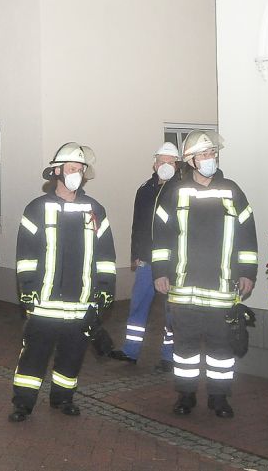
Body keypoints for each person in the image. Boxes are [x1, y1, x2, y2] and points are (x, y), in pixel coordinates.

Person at [151, 130, 257, 418]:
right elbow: (160, 237)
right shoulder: (174, 192)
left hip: (222, 287)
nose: (210, 159)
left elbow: (247, 235)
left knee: (221, 349)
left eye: (212, 154)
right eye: (204, 155)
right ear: (191, 161)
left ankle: (219, 398)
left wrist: (248, 271)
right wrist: (160, 271)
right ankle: (185, 396)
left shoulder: (232, 191)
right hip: (184, 286)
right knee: (184, 347)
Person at [10, 143, 116, 422]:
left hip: (80, 304)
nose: (76, 175)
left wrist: (105, 290)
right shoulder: (36, 208)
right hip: (44, 303)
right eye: (71, 169)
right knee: (34, 356)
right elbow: (26, 255)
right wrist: (27, 289)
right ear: (57, 172)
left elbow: (105, 255)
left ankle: (63, 398)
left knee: (72, 357)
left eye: (80, 170)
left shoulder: (94, 210)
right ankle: (22, 403)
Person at [108, 142, 179, 371]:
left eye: (170, 162)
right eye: (162, 161)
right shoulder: (145, 188)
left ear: (176, 165)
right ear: (155, 163)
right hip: (147, 261)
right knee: (138, 306)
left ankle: (169, 356)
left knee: (172, 312)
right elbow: (137, 223)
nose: (165, 165)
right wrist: (135, 253)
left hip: (173, 262)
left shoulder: (183, 189)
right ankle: (130, 351)